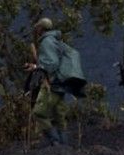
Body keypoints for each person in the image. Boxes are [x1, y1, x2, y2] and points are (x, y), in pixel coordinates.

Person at [25, 18, 86, 146]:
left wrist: (36, 67)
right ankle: (65, 146)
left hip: (52, 84)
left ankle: (55, 141)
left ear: (41, 29)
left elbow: (52, 63)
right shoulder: (56, 40)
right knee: (59, 117)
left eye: (37, 28)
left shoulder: (46, 42)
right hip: (61, 85)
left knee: (39, 113)